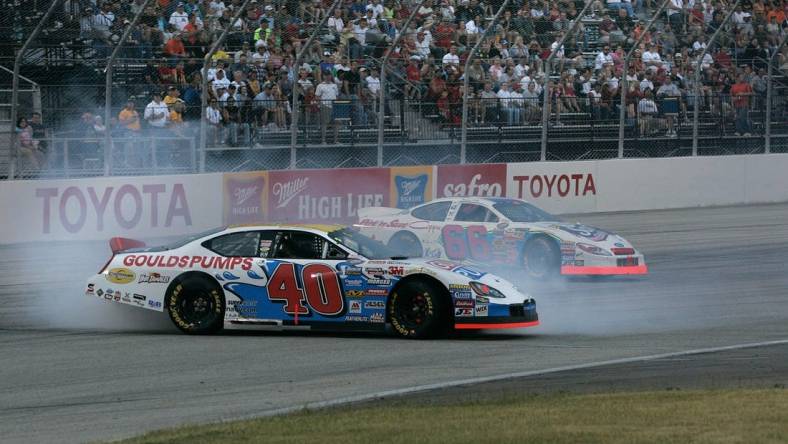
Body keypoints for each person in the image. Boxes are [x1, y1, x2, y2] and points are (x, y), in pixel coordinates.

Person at [315, 73, 339, 144]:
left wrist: (336, 104)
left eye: (329, 75)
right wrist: (320, 105)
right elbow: (317, 96)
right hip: (325, 106)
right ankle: (323, 140)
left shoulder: (334, 85)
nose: (328, 76)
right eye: (326, 75)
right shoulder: (320, 85)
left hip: (334, 106)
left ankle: (336, 140)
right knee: (324, 123)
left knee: (336, 123)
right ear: (323, 76)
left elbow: (337, 96)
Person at [118, 100, 142, 167]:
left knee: (137, 149)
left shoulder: (135, 112)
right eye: (129, 103)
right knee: (129, 149)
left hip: (137, 133)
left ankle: (136, 164)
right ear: (127, 104)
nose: (131, 104)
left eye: (132, 103)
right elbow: (121, 123)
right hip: (129, 132)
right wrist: (131, 120)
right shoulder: (123, 112)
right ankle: (128, 164)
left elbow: (137, 122)